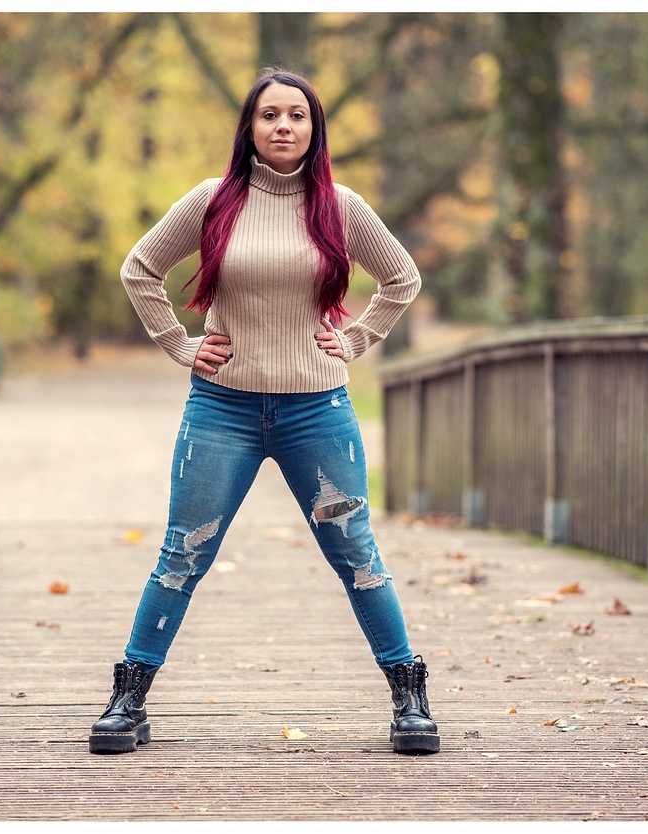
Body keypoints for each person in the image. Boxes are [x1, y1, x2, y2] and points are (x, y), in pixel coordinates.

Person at [89, 69, 438, 756]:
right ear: (249, 127)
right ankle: (129, 698)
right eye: (270, 114)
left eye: (297, 116)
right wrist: (176, 343)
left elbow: (402, 278)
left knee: (356, 553)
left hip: (319, 413)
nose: (284, 126)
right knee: (181, 554)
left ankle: (409, 694)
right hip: (222, 410)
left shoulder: (342, 206)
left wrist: (358, 338)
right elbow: (140, 268)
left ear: (315, 129)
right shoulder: (212, 201)